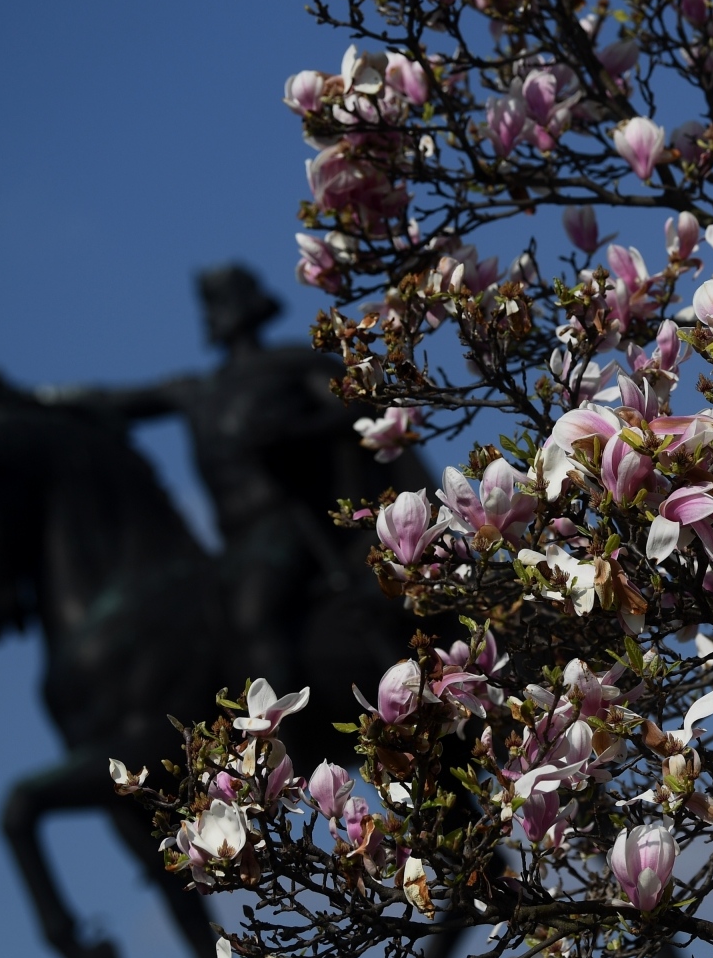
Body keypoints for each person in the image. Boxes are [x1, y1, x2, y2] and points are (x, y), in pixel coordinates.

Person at [50, 263, 429, 686]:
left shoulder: (290, 365)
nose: (215, 316)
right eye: (210, 308)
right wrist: (42, 399)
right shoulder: (198, 390)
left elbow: (356, 412)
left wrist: (292, 432)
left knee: (254, 615)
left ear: (249, 308)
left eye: (222, 304)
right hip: (233, 539)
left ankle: (278, 718)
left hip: (286, 523)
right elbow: (116, 402)